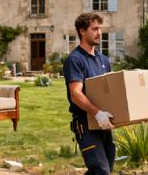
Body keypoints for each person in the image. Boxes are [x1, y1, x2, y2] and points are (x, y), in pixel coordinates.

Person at [63, 12, 116, 175]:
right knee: (101, 171)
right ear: (82, 31)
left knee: (103, 170)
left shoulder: (104, 60)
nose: (99, 33)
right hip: (85, 125)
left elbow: (110, 93)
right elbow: (76, 94)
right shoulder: (75, 60)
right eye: (94, 29)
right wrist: (97, 113)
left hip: (104, 125)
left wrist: (130, 117)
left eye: (100, 29)